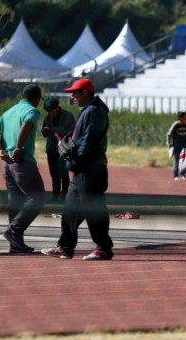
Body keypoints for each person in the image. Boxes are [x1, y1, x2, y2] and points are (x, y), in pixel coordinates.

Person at [41, 78, 114, 260]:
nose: (72, 96)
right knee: (71, 208)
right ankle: (65, 246)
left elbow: (88, 140)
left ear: (85, 93)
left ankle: (103, 247)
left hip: (90, 169)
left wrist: (75, 160)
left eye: (75, 93)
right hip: (83, 169)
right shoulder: (88, 111)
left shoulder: (95, 112)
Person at [0, 84, 45, 254]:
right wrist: (18, 148)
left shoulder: (10, 111)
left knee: (15, 201)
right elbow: (26, 125)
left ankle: (15, 243)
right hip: (22, 162)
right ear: (36, 98)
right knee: (37, 197)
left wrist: (0, 150)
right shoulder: (32, 111)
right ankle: (14, 231)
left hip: (7, 164)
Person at [41, 97, 76, 203]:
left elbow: (69, 131)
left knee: (64, 174)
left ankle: (65, 198)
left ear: (57, 108)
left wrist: (52, 129)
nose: (50, 113)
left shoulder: (68, 116)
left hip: (64, 149)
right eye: (49, 112)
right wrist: (45, 131)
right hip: (51, 149)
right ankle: (55, 197)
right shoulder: (48, 117)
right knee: (54, 175)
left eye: (52, 111)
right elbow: (44, 134)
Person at [166, 111, 186, 181]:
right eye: (184, 117)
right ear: (180, 118)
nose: (185, 119)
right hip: (176, 147)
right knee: (176, 162)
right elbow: (169, 135)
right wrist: (170, 145)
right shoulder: (176, 125)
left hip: (184, 147)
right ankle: (175, 175)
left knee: (184, 161)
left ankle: (183, 175)